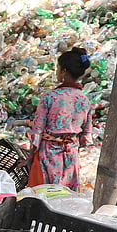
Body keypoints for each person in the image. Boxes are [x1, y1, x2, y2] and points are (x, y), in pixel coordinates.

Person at [25, 47, 94, 190]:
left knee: (44, 197)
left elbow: (37, 133)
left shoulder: (50, 97)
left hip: (48, 157)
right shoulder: (84, 100)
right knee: (66, 199)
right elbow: (86, 136)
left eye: (58, 68)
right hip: (71, 157)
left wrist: (30, 158)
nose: (57, 71)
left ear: (64, 72)